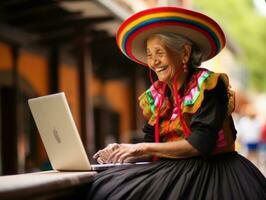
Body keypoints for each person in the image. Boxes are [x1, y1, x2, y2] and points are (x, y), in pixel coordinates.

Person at [87, 7, 266, 200]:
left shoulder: (209, 86)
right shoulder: (157, 96)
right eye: (149, 54)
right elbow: (152, 146)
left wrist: (140, 148)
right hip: (174, 171)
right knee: (103, 185)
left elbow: (200, 144)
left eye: (159, 52)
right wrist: (122, 152)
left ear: (185, 53)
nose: (154, 61)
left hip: (215, 174)